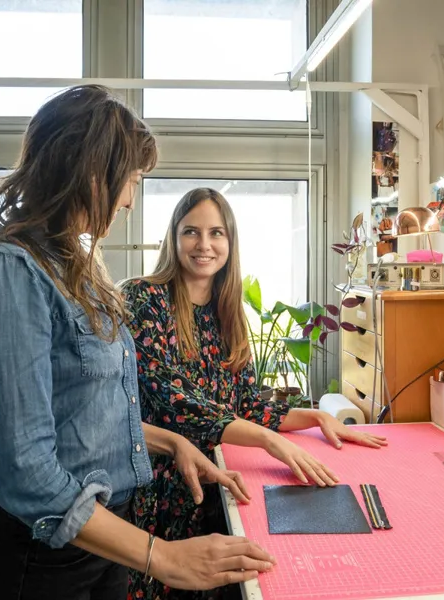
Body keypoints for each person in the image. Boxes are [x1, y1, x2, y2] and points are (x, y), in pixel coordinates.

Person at [0, 87, 275, 600]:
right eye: (132, 181)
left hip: (102, 549)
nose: (129, 200)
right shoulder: (6, 274)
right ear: (90, 170)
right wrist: (162, 555)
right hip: (36, 566)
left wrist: (173, 442)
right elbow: (27, 475)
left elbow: (88, 417)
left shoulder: (75, 271)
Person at [122, 187, 388, 600]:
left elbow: (247, 404)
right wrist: (269, 440)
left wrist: (316, 417)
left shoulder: (228, 312)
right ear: (173, 238)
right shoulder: (143, 298)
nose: (204, 245)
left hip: (217, 486)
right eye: (191, 232)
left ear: (231, 241)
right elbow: (173, 403)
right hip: (155, 494)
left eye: (217, 233)